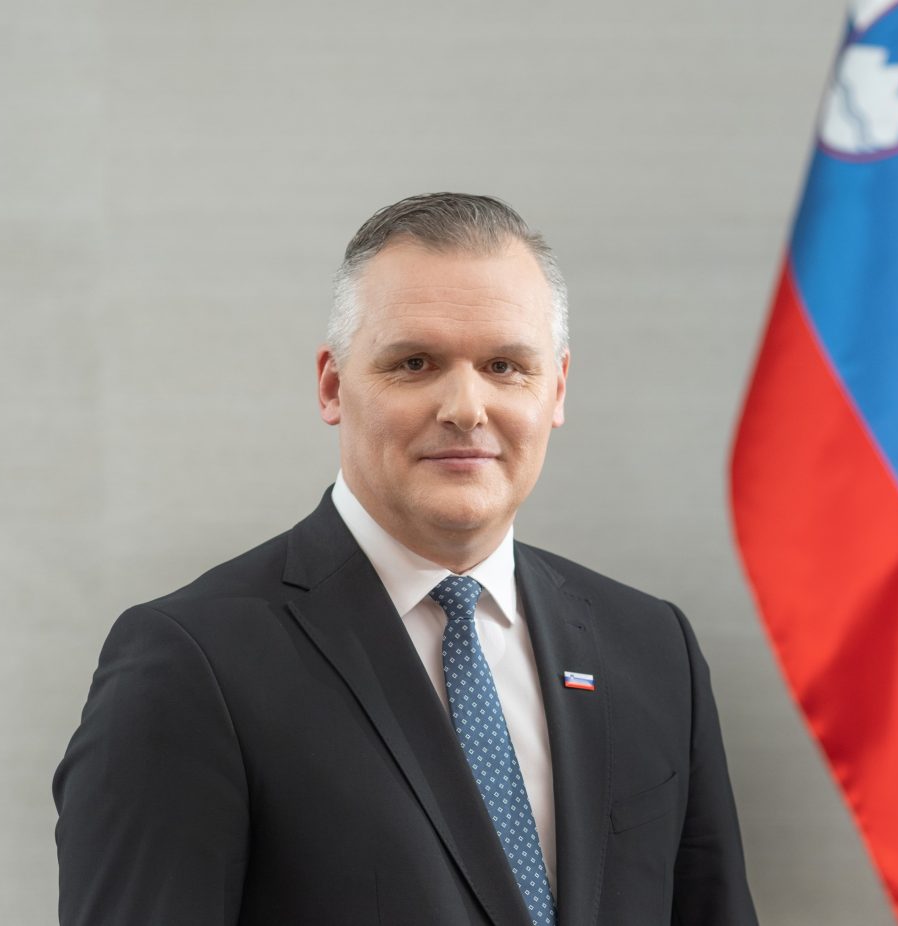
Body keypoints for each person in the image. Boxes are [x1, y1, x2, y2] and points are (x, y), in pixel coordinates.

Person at [53, 193, 759, 926]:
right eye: (415, 363)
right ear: (332, 385)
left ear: (556, 390)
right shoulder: (190, 665)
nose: (465, 408)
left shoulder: (652, 649)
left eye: (505, 365)